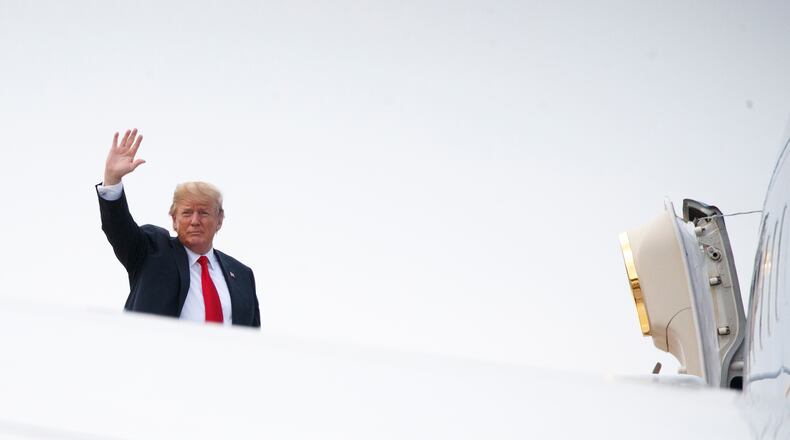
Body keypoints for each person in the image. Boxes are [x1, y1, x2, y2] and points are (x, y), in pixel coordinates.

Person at [96, 128, 261, 328]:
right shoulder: (151, 250)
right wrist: (112, 180)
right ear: (173, 219)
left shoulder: (242, 275)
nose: (194, 220)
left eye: (204, 213)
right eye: (186, 213)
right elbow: (118, 228)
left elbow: (253, 339)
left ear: (220, 220)